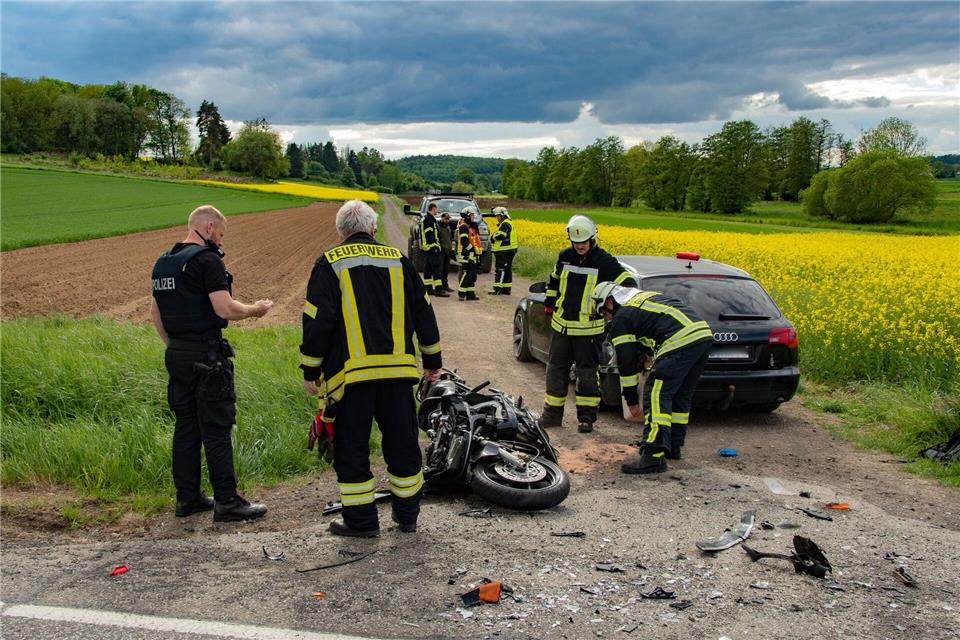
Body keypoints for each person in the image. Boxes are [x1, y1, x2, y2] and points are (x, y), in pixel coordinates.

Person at [300, 200, 443, 537]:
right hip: (397, 375)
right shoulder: (399, 261)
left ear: (341, 232)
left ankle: (362, 523)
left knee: (352, 449)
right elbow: (424, 311)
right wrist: (432, 361)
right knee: (403, 444)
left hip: (352, 379)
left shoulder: (329, 264)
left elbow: (318, 321)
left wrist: (310, 369)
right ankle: (407, 517)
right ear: (373, 228)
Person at [150, 205, 271, 522]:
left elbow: (155, 314)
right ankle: (227, 502)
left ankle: (188, 499)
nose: (220, 239)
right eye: (220, 232)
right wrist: (256, 309)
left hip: (176, 354)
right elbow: (224, 308)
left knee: (186, 427)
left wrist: (176, 346)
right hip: (206, 356)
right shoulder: (207, 261)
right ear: (207, 226)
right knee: (216, 427)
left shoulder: (164, 263)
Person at [591, 282, 713, 474]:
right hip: (702, 336)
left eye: (604, 313)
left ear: (609, 301)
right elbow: (650, 334)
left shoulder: (622, 317)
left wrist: (631, 399)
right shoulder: (641, 301)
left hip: (679, 340)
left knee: (656, 393)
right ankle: (673, 445)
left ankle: (653, 454)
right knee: (680, 395)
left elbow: (627, 362)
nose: (607, 318)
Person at [541, 215, 636, 433]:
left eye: (584, 242)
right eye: (576, 242)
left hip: (589, 331)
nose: (580, 246)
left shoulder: (605, 262)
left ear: (592, 239)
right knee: (556, 371)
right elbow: (554, 281)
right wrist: (549, 304)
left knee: (586, 375)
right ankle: (552, 415)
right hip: (561, 327)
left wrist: (612, 306)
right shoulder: (564, 256)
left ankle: (586, 419)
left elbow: (627, 285)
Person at [419, 203, 448, 297]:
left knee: (428, 269)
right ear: (433, 208)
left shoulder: (428, 218)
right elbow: (429, 234)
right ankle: (439, 290)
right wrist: (434, 246)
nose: (437, 211)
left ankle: (429, 289)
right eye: (436, 209)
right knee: (436, 268)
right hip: (432, 247)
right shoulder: (428, 219)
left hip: (428, 248)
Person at [488, 206, 518, 295]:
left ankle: (498, 289)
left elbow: (501, 235)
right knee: (507, 270)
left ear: (503, 215)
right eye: (496, 216)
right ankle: (506, 289)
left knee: (500, 269)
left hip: (504, 251)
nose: (497, 218)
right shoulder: (508, 222)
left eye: (498, 216)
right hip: (509, 250)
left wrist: (493, 236)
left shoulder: (505, 224)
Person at [456, 208, 481, 301]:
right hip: (466, 255)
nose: (473, 217)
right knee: (467, 274)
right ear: (467, 216)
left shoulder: (469, 227)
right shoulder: (463, 227)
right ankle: (461, 293)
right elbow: (464, 241)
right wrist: (472, 250)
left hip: (471, 255)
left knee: (472, 275)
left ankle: (470, 294)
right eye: (471, 215)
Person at [438, 212, 455, 293]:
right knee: (440, 270)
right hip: (441, 252)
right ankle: (440, 286)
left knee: (446, 269)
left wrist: (451, 250)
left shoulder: (448, 228)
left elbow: (450, 239)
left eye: (448, 219)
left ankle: (445, 286)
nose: (447, 220)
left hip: (447, 251)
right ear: (442, 218)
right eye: (446, 219)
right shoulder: (438, 228)